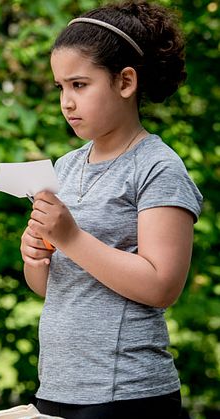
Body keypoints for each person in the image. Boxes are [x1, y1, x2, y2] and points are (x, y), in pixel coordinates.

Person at [20, 1, 203, 418]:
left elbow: (162, 286)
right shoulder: (64, 167)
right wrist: (36, 257)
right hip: (59, 385)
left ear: (125, 82)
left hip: (128, 394)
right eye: (60, 87)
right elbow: (54, 288)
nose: (66, 102)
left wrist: (71, 238)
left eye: (79, 85)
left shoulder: (157, 167)